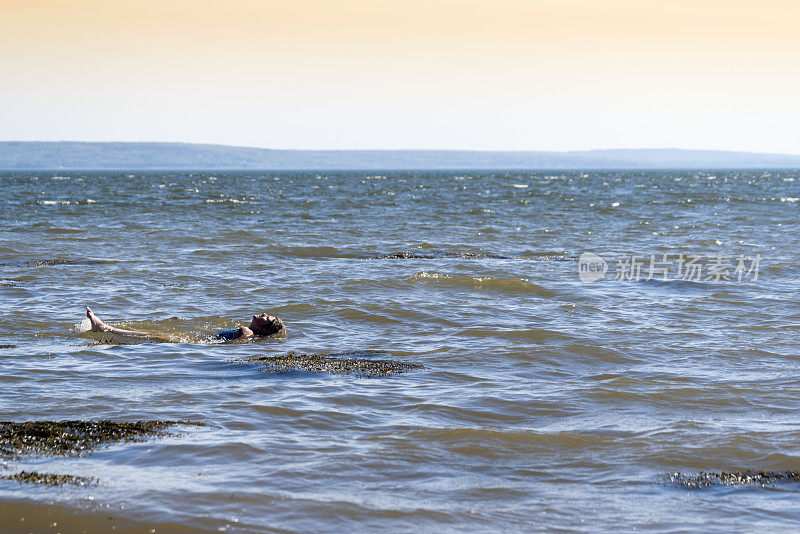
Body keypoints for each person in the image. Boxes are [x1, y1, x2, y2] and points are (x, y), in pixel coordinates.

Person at [85, 307, 285, 342]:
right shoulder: (248, 332)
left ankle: (103, 328)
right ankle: (103, 328)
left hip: (191, 343)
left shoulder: (245, 331)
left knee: (143, 335)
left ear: (262, 328)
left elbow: (228, 347)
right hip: (195, 341)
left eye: (266, 318)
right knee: (143, 334)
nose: (264, 314)